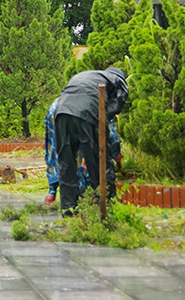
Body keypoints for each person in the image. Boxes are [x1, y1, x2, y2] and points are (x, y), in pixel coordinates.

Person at [53, 67, 129, 215]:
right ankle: (104, 209)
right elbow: (115, 106)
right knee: (99, 161)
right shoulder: (118, 80)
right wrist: (102, 122)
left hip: (61, 112)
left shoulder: (87, 75)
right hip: (87, 111)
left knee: (66, 162)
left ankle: (68, 210)